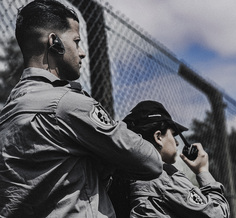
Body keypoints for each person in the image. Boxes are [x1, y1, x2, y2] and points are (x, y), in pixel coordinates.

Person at [0, 1, 162, 217]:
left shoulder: (7, 115)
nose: (83, 52)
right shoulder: (69, 105)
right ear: (54, 41)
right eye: (76, 41)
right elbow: (151, 162)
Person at [108, 100, 231, 217]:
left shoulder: (117, 173)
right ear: (158, 137)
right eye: (172, 134)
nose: (177, 143)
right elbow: (217, 214)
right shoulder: (163, 176)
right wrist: (203, 171)